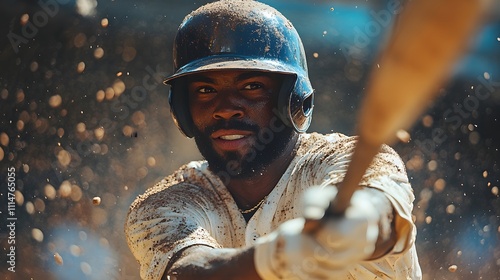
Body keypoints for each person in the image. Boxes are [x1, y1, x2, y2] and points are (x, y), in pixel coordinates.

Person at [125, 0, 421, 279]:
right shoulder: (165, 204)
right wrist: (281, 254)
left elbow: (381, 212)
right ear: (182, 110)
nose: (226, 108)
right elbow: (191, 273)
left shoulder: (350, 158)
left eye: (251, 86)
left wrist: (360, 222)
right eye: (205, 90)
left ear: (293, 100)